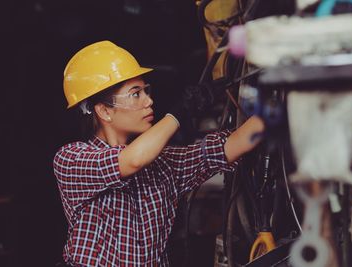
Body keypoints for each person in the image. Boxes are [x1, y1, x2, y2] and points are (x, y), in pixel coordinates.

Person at [53, 40, 264, 266]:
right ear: (104, 110)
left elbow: (231, 146)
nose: (149, 101)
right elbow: (131, 160)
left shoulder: (163, 164)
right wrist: (179, 114)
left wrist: (282, 99)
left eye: (146, 91)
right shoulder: (71, 159)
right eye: (136, 94)